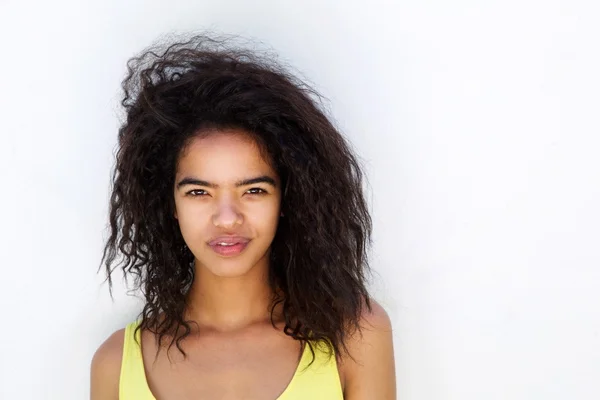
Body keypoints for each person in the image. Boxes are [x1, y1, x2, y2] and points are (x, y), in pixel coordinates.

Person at [90, 33, 396, 400]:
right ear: (169, 204)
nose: (227, 218)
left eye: (253, 190)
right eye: (199, 192)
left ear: (287, 198)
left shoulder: (356, 335)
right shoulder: (116, 364)